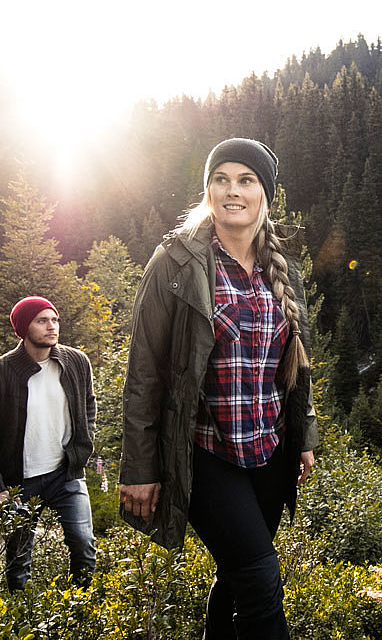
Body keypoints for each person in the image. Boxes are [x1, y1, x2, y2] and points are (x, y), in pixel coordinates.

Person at [119, 138, 317, 639]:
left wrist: (304, 436)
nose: (233, 190)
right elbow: (145, 371)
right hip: (205, 454)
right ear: (208, 191)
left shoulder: (283, 271)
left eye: (246, 180)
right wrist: (139, 466)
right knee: (261, 582)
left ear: (265, 194)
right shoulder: (177, 262)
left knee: (235, 581)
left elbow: (294, 366)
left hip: (270, 453)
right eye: (221, 179)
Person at [0, 296, 98, 591]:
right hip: (20, 482)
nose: (52, 327)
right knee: (18, 559)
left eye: (54, 320)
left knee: (84, 545)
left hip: (65, 474)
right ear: (23, 328)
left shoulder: (77, 362)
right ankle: (20, 618)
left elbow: (89, 405)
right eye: (42, 321)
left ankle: (78, 611)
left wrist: (83, 444)